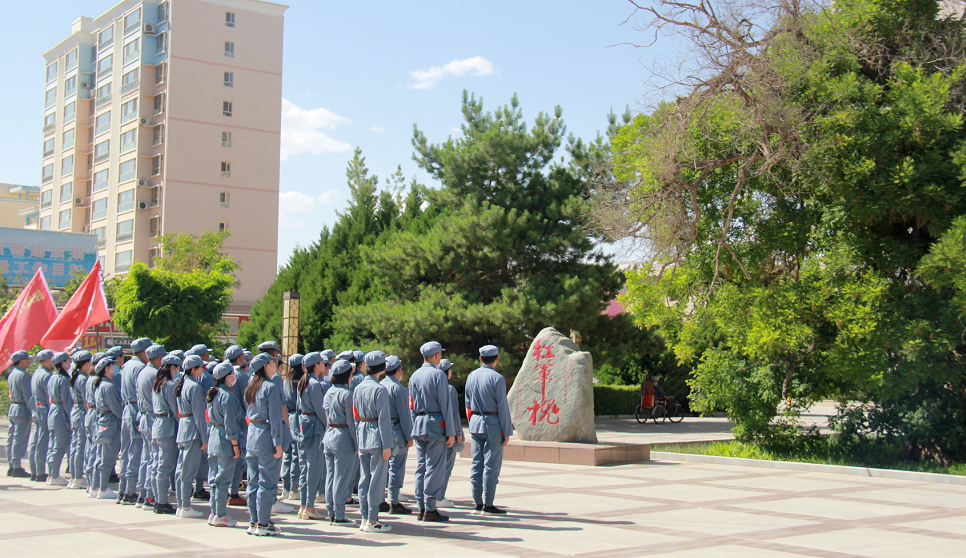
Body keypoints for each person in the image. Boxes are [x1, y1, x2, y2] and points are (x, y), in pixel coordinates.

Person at [409, 341, 456, 522]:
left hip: (419, 424)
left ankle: (420, 507)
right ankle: (430, 507)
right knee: (434, 467)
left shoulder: (414, 376)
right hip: (436, 424)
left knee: (421, 467)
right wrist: (450, 432)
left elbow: (411, 404)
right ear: (437, 356)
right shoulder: (438, 375)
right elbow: (445, 405)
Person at [465, 345, 513, 515]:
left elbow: (468, 404)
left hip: (476, 423)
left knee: (477, 464)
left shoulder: (471, 376)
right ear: (497, 359)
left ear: (480, 359)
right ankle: (488, 504)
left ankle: (477, 502)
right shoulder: (497, 378)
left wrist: (473, 421)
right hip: (492, 424)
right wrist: (506, 431)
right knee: (491, 466)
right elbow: (502, 406)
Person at [244, 352, 286, 536]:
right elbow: (276, 418)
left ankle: (254, 520)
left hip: (253, 433)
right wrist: (278, 443)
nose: (275, 363)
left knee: (253, 482)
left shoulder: (252, 386)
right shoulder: (271, 387)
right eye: (272, 361)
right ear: (265, 366)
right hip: (266, 434)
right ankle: (262, 522)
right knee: (267, 482)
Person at [354, 351, 394, 533]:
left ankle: (364, 517)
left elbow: (356, 415)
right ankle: (372, 518)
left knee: (364, 479)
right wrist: (387, 445)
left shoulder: (358, 387)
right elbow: (384, 419)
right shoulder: (380, 389)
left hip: (362, 434)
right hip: (376, 437)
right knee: (376, 481)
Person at [206, 361, 242, 527]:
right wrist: (235, 445)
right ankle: (220, 514)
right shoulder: (227, 396)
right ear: (227, 377)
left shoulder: (213, 393)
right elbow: (230, 424)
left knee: (214, 479)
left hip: (214, 437)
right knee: (223, 479)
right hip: (225, 440)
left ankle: (215, 512)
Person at [322, 359, 357, 527]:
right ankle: (340, 514)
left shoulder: (329, 392)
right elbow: (352, 422)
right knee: (342, 478)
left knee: (330, 476)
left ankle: (331, 511)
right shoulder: (347, 394)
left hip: (329, 434)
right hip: (343, 437)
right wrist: (357, 444)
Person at [295, 352, 329, 520]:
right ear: (316, 365)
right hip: (314, 428)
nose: (325, 365)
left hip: (304, 427)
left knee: (305, 468)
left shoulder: (303, 381)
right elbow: (321, 410)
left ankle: (303, 505)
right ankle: (309, 506)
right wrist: (328, 427)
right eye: (323, 363)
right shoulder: (315, 384)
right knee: (314, 469)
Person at [174, 355, 208, 518]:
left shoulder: (183, 384)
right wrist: (204, 438)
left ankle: (182, 505)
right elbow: (199, 415)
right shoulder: (194, 387)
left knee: (181, 470)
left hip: (183, 428)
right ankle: (186, 507)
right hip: (192, 430)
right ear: (194, 369)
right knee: (188, 471)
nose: (203, 369)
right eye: (201, 367)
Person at [119, 337, 151, 505]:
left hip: (126, 409)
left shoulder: (127, 365)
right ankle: (131, 491)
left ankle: (123, 489)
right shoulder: (140, 367)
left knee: (126, 450)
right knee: (136, 451)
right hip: (136, 409)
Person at [380, 355, 413, 514]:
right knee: (396, 467)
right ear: (399, 370)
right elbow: (405, 415)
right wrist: (409, 436)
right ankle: (394, 500)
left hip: (381, 430)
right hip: (397, 430)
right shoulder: (399, 389)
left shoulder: (379, 385)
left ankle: (380, 498)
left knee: (382, 467)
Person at [136, 344, 166, 510]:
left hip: (145, 417)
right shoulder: (155, 373)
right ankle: (150, 495)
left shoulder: (143, 372)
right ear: (161, 358)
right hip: (154, 418)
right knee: (155, 459)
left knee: (146, 458)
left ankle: (144, 493)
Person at [152, 353, 182, 515]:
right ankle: (161, 502)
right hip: (167, 426)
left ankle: (158, 499)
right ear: (172, 368)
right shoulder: (169, 385)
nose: (178, 371)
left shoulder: (158, 383)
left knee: (158, 464)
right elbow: (175, 409)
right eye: (177, 368)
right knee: (165, 466)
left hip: (158, 425)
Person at [92, 356, 122, 499]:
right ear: (106, 369)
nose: (114, 368)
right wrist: (124, 419)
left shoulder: (101, 384)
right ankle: (103, 488)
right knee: (108, 458)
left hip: (104, 421)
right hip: (111, 422)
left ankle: (95, 486)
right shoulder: (108, 386)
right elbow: (115, 407)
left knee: (101, 455)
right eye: (112, 366)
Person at [436, 358, 464, 508]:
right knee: (446, 466)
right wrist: (458, 433)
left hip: (434, 431)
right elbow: (453, 414)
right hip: (449, 433)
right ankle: (439, 496)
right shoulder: (449, 389)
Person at [224, 344, 250, 506]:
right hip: (240, 421)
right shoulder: (240, 375)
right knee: (239, 459)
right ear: (240, 357)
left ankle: (229, 491)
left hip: (226, 421)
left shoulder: (226, 373)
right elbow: (245, 400)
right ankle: (234, 492)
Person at [45, 352, 74, 486]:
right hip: (61, 413)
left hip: (53, 411)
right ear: (63, 363)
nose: (70, 363)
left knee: (53, 446)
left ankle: (51, 474)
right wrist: (71, 418)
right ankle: (54, 475)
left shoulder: (52, 377)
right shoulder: (63, 379)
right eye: (68, 361)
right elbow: (67, 401)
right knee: (59, 446)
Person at [67, 350, 94, 488]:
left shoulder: (76, 376)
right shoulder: (83, 379)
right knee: (80, 446)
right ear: (85, 364)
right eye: (89, 362)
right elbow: (86, 400)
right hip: (82, 412)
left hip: (76, 412)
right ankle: (78, 478)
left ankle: (74, 476)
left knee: (75, 445)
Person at [5, 350, 32, 478]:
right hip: (21, 408)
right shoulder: (23, 375)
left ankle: (12, 465)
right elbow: (28, 395)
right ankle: (17, 466)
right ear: (21, 361)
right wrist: (32, 412)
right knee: (19, 439)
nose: (29, 361)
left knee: (12, 438)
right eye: (27, 359)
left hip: (13, 407)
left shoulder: (12, 374)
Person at [29, 349, 55, 482]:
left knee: (35, 441)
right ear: (46, 361)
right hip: (44, 410)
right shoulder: (46, 375)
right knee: (42, 442)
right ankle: (40, 472)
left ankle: (34, 470)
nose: (53, 360)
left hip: (37, 410)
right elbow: (49, 396)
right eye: (51, 358)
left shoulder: (37, 373)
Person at [281, 354, 303, 502]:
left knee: (288, 454)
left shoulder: (285, 382)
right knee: (296, 454)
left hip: (287, 417)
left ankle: (286, 487)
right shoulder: (300, 382)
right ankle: (294, 488)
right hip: (297, 416)